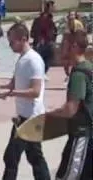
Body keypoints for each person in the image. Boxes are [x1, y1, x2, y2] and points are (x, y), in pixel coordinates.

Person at [0, 23, 51, 180]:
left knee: (13, 157)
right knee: (33, 157)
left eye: (12, 42)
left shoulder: (33, 60)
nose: (10, 46)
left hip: (32, 118)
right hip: (23, 117)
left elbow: (35, 91)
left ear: (23, 39)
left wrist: (10, 93)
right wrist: (0, 88)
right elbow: (13, 84)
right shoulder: (22, 59)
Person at [45, 30, 92, 180]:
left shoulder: (79, 74)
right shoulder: (89, 67)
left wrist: (50, 114)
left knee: (66, 176)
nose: (59, 47)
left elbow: (70, 109)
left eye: (63, 44)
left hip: (82, 136)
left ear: (73, 46)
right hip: (88, 135)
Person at [30, 0, 57, 76]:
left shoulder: (49, 20)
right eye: (52, 7)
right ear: (49, 8)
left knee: (46, 61)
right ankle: (39, 75)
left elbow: (53, 32)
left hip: (46, 43)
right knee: (43, 60)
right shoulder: (42, 20)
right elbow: (34, 32)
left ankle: (41, 74)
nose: (54, 9)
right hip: (42, 44)